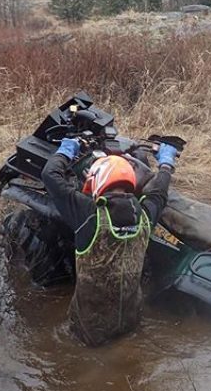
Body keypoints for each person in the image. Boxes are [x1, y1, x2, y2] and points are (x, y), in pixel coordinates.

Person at [41, 138, 177, 347]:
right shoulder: (145, 214)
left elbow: (49, 175)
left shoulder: (88, 213)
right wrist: (166, 163)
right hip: (130, 321)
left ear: (98, 180)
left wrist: (66, 151)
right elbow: (160, 190)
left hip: (90, 331)